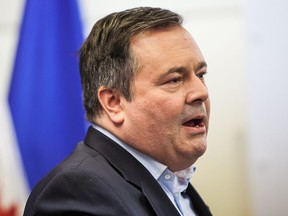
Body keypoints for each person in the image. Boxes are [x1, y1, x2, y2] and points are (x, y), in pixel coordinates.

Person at [24, 7, 212, 216]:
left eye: (201, 75)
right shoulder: (77, 192)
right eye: (174, 80)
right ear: (114, 102)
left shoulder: (174, 182)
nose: (201, 92)